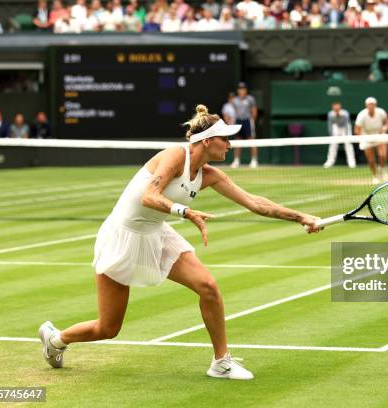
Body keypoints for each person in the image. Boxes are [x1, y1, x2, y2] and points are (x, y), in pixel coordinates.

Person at [38, 105, 321, 380]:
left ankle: (221, 362)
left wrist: (301, 217)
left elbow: (254, 203)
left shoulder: (210, 175)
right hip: (122, 235)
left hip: (157, 233)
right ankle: (56, 339)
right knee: (108, 328)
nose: (230, 146)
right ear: (207, 141)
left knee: (208, 286)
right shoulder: (176, 155)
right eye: (225, 139)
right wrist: (184, 211)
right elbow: (148, 196)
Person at [355, 97, 388, 184]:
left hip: (379, 135)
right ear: (366, 105)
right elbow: (356, 130)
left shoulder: (381, 112)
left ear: (375, 105)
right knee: (371, 160)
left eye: (372, 104)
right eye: (369, 104)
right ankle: (375, 176)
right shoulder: (361, 115)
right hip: (366, 136)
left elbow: (387, 123)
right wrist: (364, 137)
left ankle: (382, 170)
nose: (371, 106)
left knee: (383, 155)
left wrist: (385, 128)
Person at [231, 82, 259, 168]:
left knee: (251, 140)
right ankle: (236, 161)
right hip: (238, 121)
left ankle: (254, 160)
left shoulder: (250, 99)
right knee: (238, 140)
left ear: (246, 90)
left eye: (243, 89)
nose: (242, 90)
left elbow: (254, 111)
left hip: (247, 121)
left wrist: (252, 121)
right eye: (240, 89)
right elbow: (235, 111)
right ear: (238, 90)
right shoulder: (234, 100)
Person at [323, 102, 356, 168]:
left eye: (338, 108)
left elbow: (346, 124)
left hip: (345, 128)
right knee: (333, 144)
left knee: (348, 144)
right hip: (336, 128)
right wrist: (331, 135)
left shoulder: (345, 114)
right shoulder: (330, 114)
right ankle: (330, 161)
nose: (336, 109)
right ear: (333, 108)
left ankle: (351, 162)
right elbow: (330, 125)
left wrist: (346, 136)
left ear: (340, 108)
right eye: (335, 108)